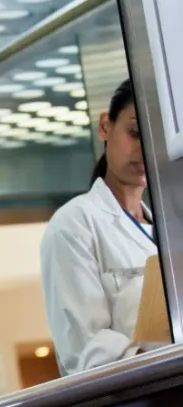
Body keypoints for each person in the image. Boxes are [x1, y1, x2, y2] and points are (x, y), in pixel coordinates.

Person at [41, 78, 157, 376]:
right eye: (134, 133)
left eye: (157, 137)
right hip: (140, 404)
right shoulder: (74, 225)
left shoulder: (166, 228)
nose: (145, 149)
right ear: (106, 126)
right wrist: (158, 354)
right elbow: (85, 353)